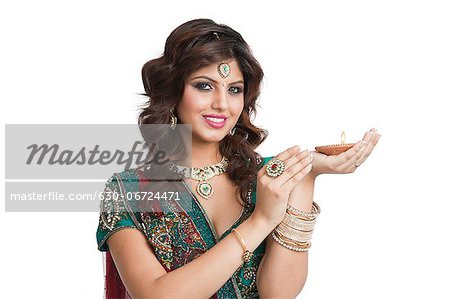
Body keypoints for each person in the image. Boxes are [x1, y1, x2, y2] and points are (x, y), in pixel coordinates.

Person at [96, 18, 381, 299]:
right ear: (173, 90)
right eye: (204, 86)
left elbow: (278, 294)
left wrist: (306, 175)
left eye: (234, 89)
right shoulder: (128, 190)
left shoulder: (270, 177)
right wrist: (260, 221)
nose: (221, 104)